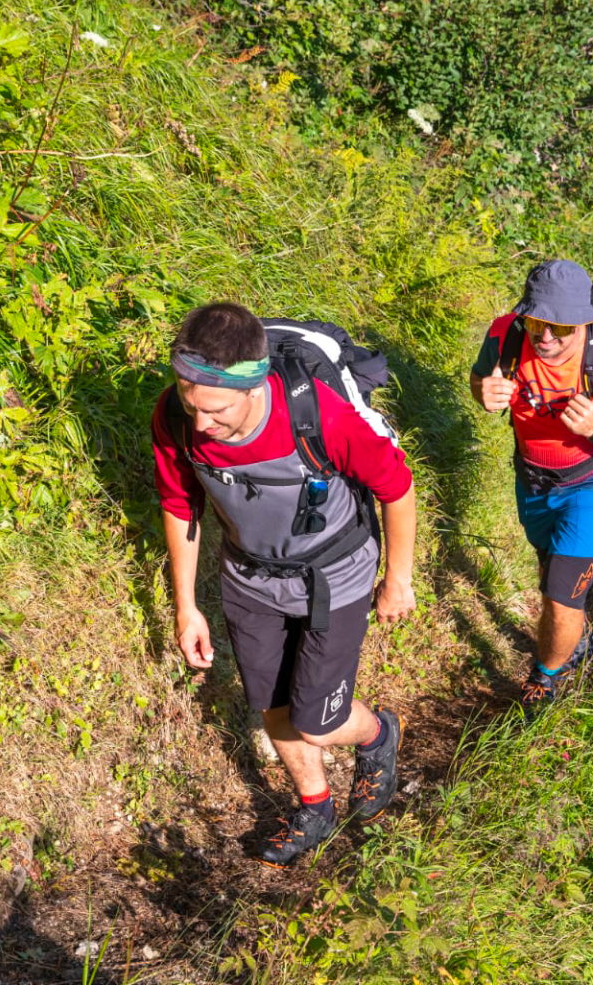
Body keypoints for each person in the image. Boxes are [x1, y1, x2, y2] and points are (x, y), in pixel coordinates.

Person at [152, 302, 417, 867]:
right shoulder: (177, 417)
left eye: (216, 409)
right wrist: (185, 605)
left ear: (255, 386)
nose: (202, 423)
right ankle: (315, 807)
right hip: (249, 575)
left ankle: (376, 735)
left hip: (333, 573)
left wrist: (398, 578)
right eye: (189, 402)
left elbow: (397, 487)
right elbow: (181, 504)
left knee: (317, 718)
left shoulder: (319, 415)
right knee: (271, 704)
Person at [469, 260, 593, 715]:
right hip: (534, 479)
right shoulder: (506, 334)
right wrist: (482, 392)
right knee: (549, 569)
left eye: (559, 327)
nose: (546, 337)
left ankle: (545, 676)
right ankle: (575, 633)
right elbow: (480, 378)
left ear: (582, 322)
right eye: (537, 321)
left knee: (560, 597)